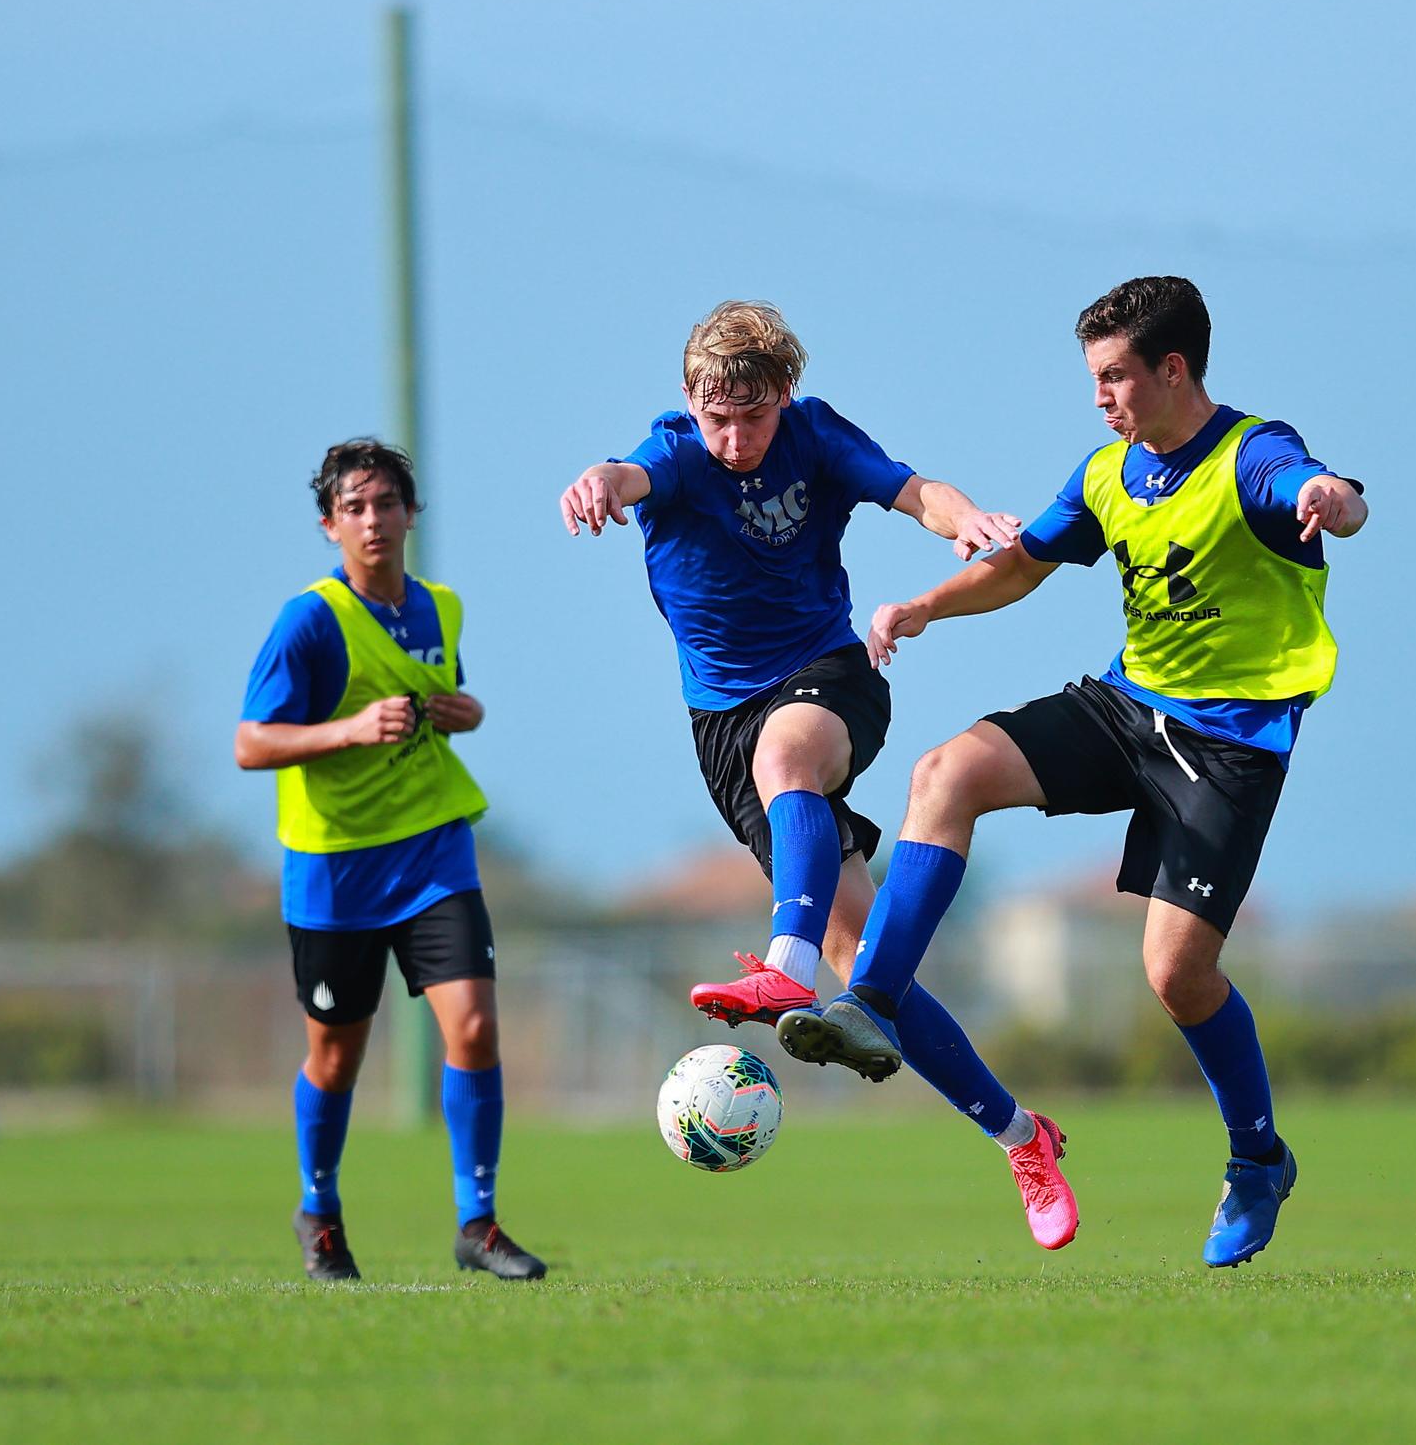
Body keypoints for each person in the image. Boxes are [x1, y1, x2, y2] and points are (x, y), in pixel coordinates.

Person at [776, 275, 1367, 1268]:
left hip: (1228, 745)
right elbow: (1020, 563)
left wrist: (1329, 500)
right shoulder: (1109, 472)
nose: (1100, 396)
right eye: (1094, 376)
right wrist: (923, 606)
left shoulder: (1254, 453)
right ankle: (871, 1001)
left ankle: (1258, 1159)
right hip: (1125, 707)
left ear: (1171, 369)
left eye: (1114, 376)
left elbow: (1317, 490)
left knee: (1176, 975)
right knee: (945, 771)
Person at [558, 300, 1078, 1249]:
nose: (734, 437)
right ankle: (1022, 1136)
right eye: (717, 417)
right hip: (722, 728)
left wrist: (969, 524)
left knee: (787, 753)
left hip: (831, 680)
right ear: (690, 400)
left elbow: (916, 491)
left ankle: (781, 969)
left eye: (751, 417)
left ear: (783, 397)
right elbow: (628, 472)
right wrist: (598, 481)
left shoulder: (816, 435)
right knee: (866, 965)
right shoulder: (677, 451)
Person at [236, 439, 543, 1284]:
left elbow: (441, 698)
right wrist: (347, 729)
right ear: (330, 524)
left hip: (434, 850)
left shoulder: (441, 607)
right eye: (356, 507)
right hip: (335, 869)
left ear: (413, 512)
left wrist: (464, 713)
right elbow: (250, 742)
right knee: (337, 1054)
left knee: (475, 1026)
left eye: (387, 503)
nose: (373, 520)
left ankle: (478, 1224)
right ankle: (319, 1210)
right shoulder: (308, 621)